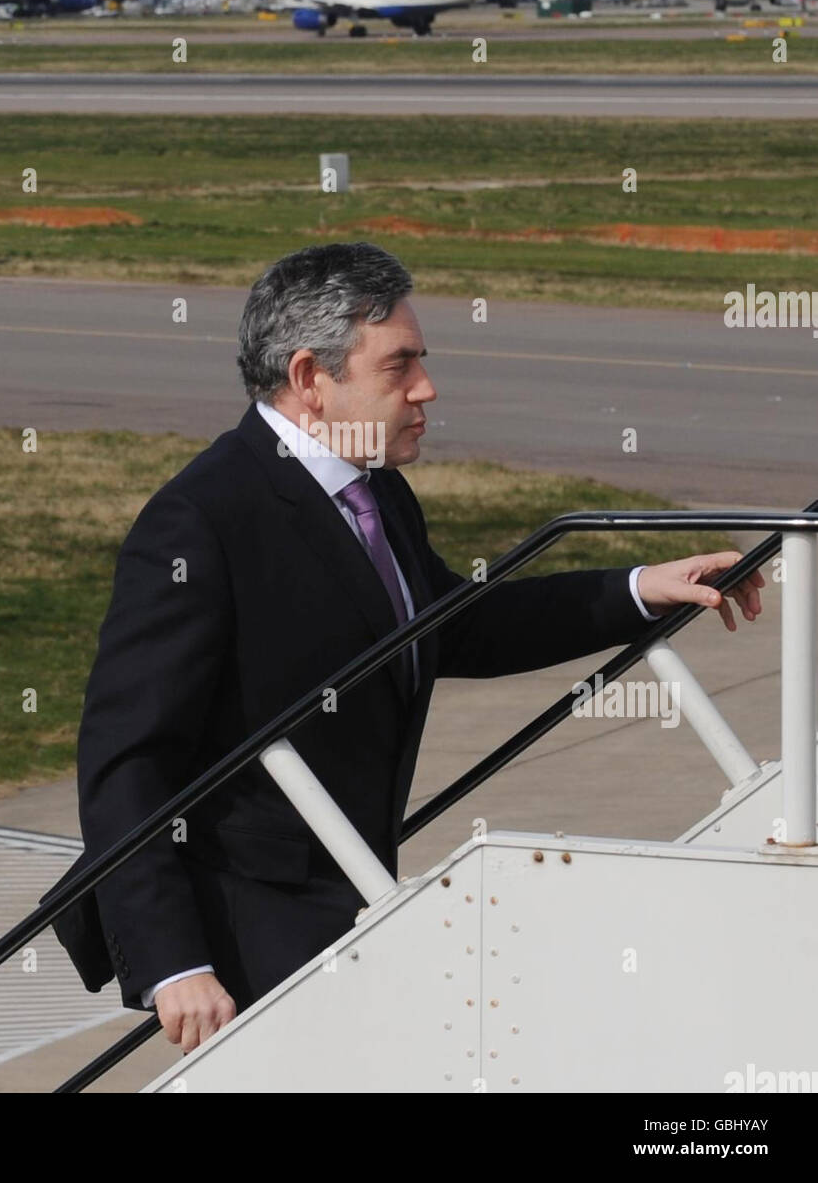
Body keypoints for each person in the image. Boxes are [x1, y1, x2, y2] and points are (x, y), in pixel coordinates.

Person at [64, 242, 763, 1055]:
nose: (426, 389)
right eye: (400, 367)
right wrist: (173, 960)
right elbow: (125, 757)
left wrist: (641, 589)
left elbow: (451, 624)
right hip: (246, 929)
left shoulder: (374, 491)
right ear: (309, 380)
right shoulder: (202, 522)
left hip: (348, 898)